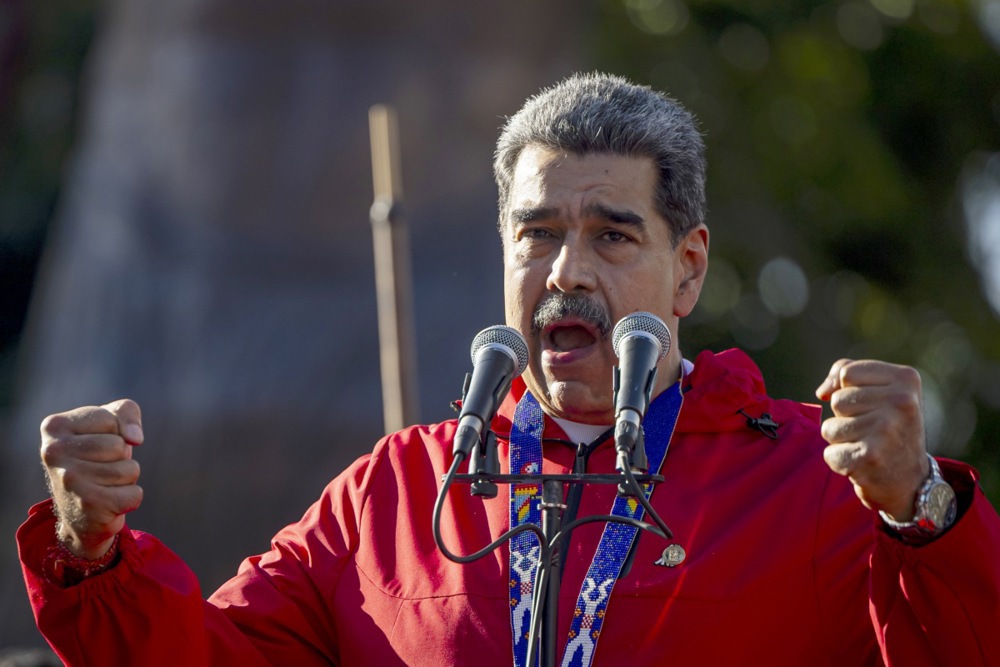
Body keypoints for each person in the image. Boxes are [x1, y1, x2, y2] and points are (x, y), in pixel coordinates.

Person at [17, 72, 1000, 666]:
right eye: (536, 234)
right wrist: (91, 550)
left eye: (612, 234)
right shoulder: (392, 493)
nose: (566, 271)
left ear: (688, 268)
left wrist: (919, 510)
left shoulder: (812, 482)